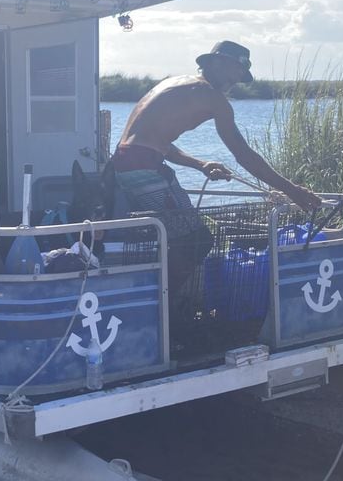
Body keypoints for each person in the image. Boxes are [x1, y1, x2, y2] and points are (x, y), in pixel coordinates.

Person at [110, 41, 321, 315]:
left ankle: (162, 304)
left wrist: (200, 164)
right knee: (195, 241)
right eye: (236, 70)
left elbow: (153, 141)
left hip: (132, 162)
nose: (236, 81)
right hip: (142, 167)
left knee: (181, 238)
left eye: (242, 76)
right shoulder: (211, 97)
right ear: (216, 62)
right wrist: (291, 190)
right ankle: (157, 312)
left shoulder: (175, 84)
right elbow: (244, 154)